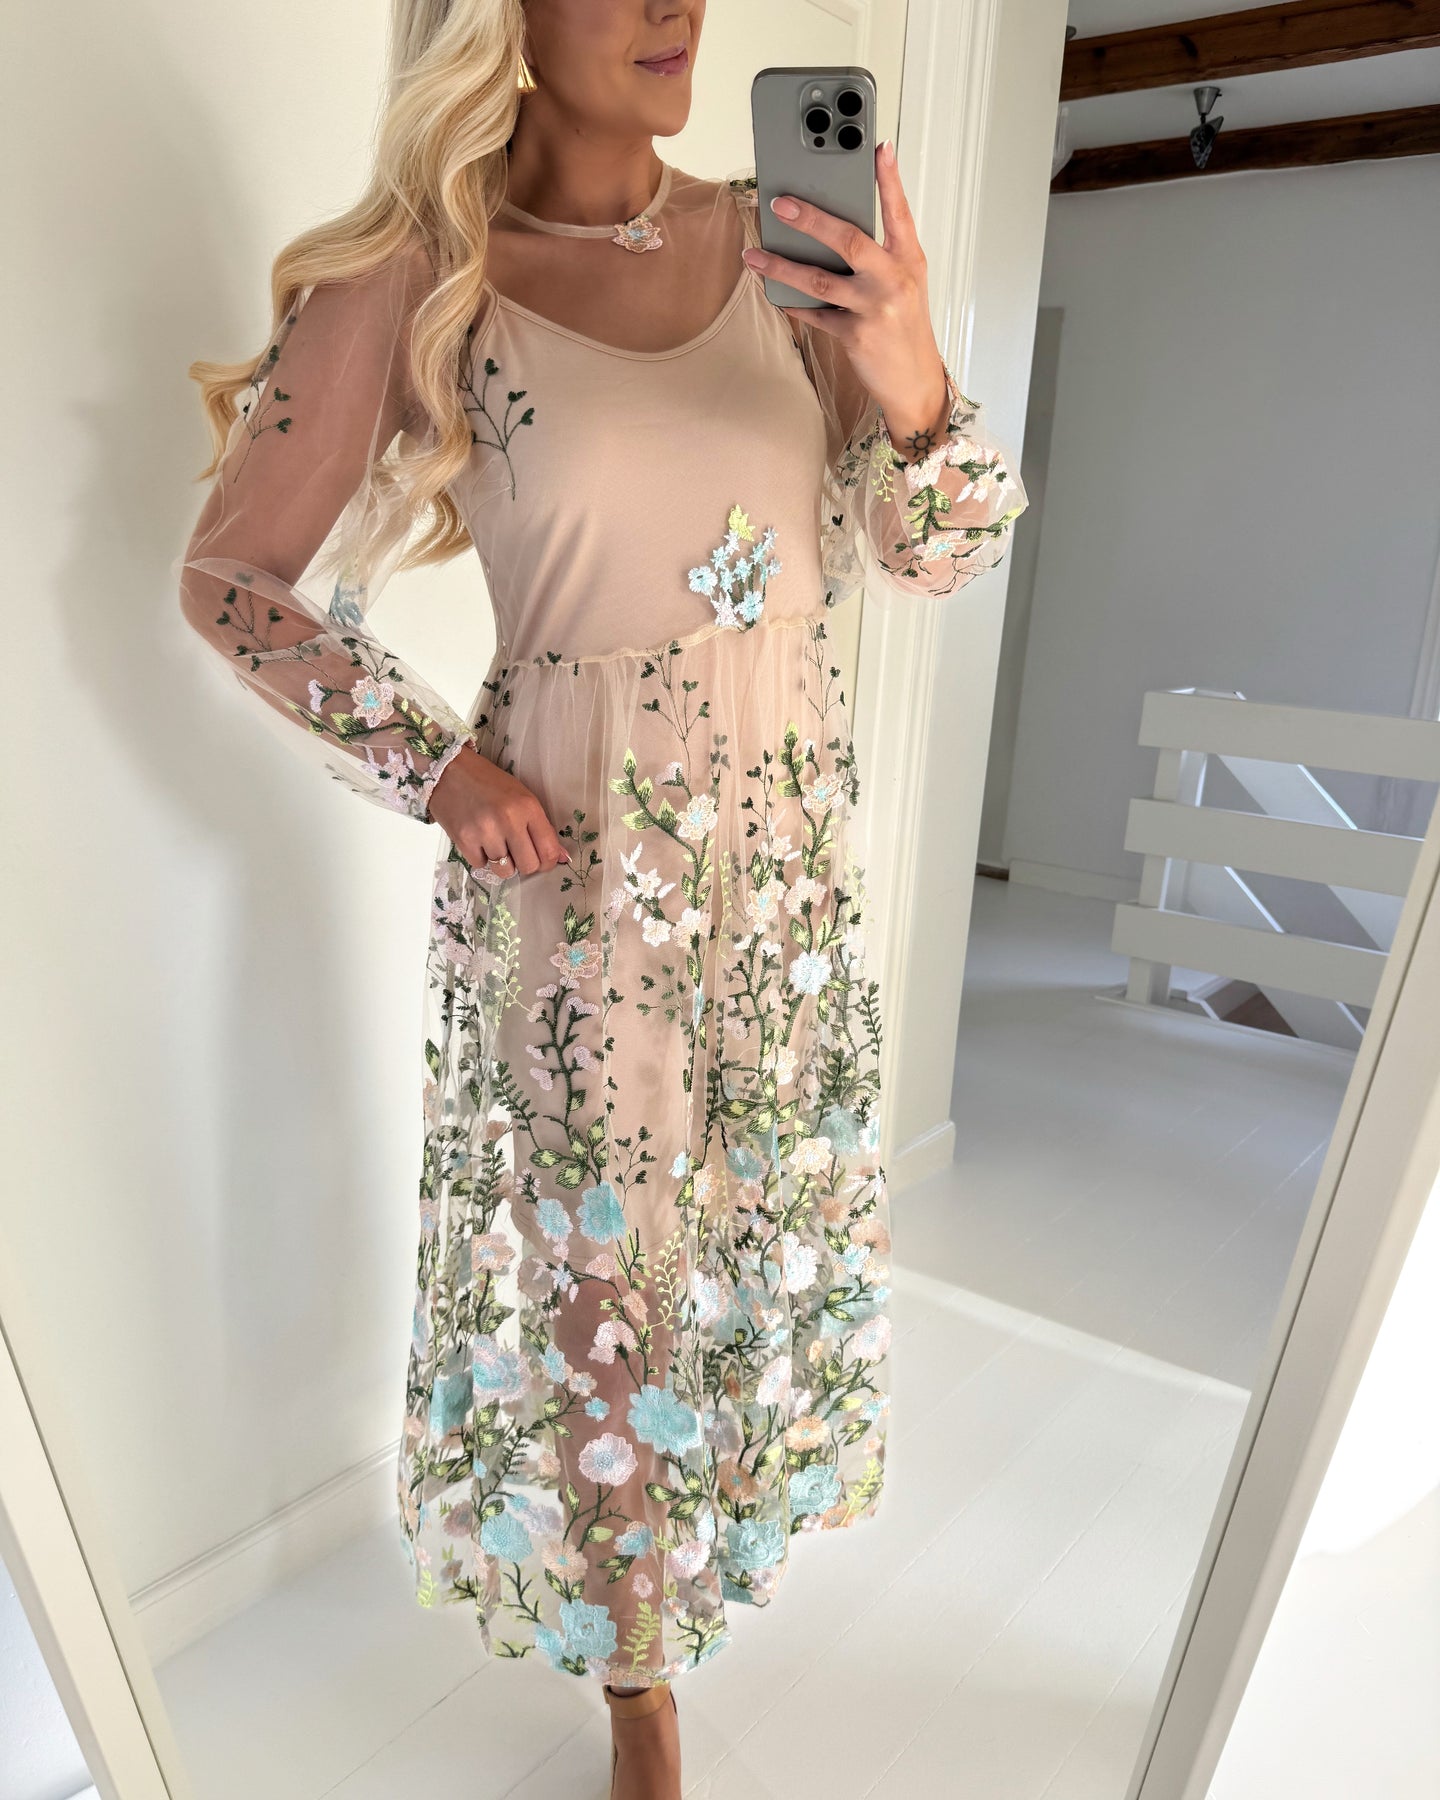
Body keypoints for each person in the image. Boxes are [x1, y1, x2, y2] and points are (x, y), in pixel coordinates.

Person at [178, 2, 1027, 1795]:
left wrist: (908, 361)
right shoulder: (420, 277)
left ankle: (719, 1551)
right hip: (583, 865)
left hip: (783, 865)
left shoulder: (788, 245)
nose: (671, 7)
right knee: (606, 1270)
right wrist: (436, 766)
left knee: (746, 1225)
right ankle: (639, 1672)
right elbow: (235, 579)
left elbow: (938, 552)